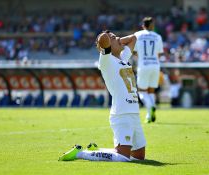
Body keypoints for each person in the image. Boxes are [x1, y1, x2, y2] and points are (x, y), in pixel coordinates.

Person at [59, 30, 146, 162]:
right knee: (123, 157)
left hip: (134, 112)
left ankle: (96, 151)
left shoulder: (122, 58)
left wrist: (117, 41)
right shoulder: (106, 60)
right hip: (121, 114)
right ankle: (80, 153)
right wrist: (108, 40)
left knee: (139, 157)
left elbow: (133, 38)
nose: (118, 38)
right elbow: (103, 39)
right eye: (114, 37)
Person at [134, 17, 165, 123]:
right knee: (151, 91)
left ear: (143, 25)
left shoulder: (138, 35)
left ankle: (151, 106)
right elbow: (160, 53)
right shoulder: (158, 37)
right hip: (155, 65)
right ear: (152, 25)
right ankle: (149, 115)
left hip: (143, 65)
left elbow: (134, 51)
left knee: (141, 92)